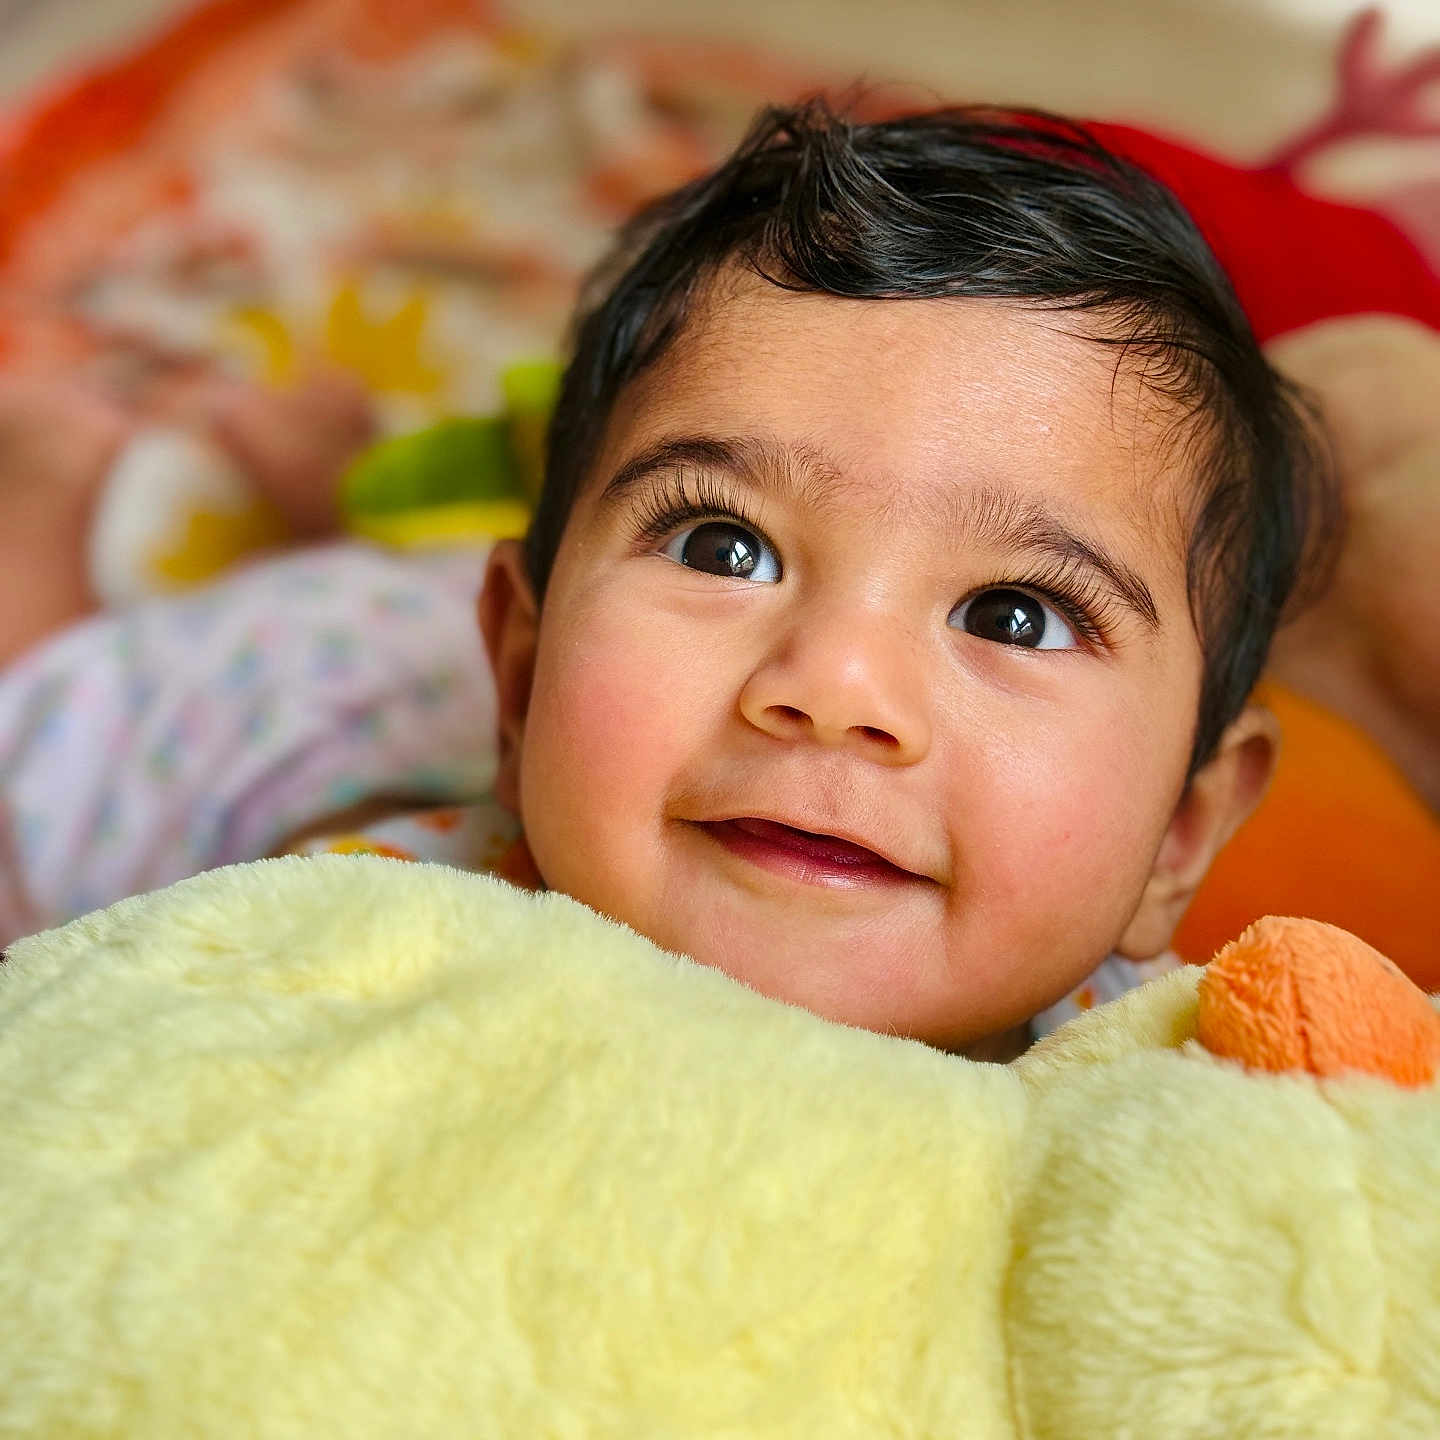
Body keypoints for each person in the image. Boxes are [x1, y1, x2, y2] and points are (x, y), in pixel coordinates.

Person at [0, 101, 1337, 1056]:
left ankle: (332, 483)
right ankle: (63, 494)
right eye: (722, 543)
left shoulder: (1147, 1065)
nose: (834, 688)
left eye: (1013, 614)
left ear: (1180, 831)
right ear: (521, 671)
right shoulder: (336, 964)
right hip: (268, 690)